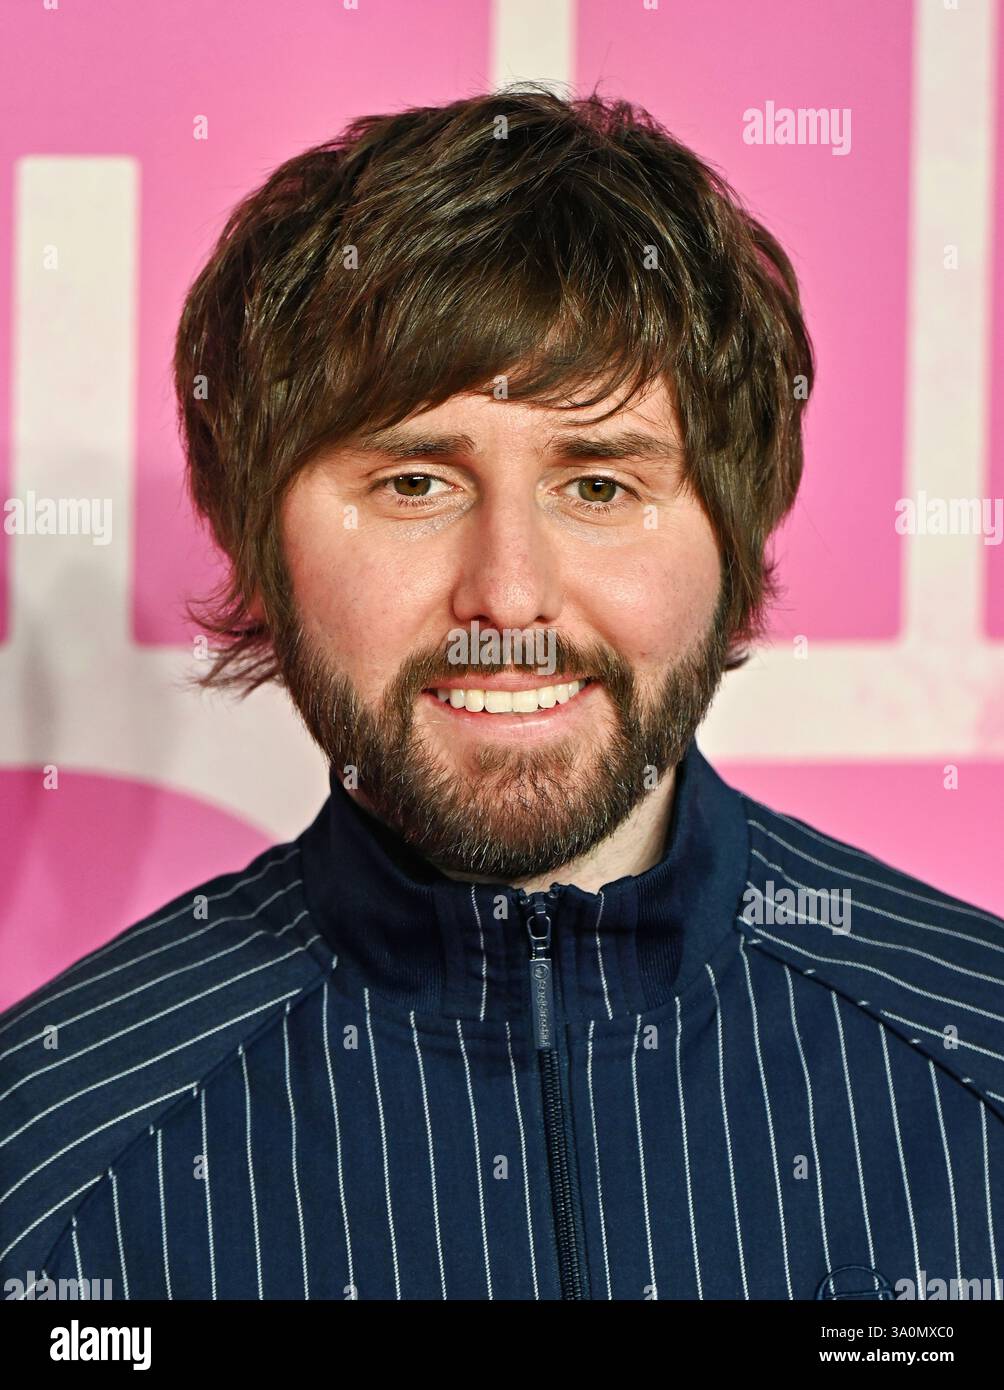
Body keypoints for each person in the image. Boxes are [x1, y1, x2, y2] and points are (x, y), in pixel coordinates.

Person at [2, 86, 1002, 1303]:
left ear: (731, 544)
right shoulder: (47, 1160)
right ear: (260, 542)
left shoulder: (974, 1065)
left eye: (597, 485)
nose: (509, 597)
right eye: (415, 481)